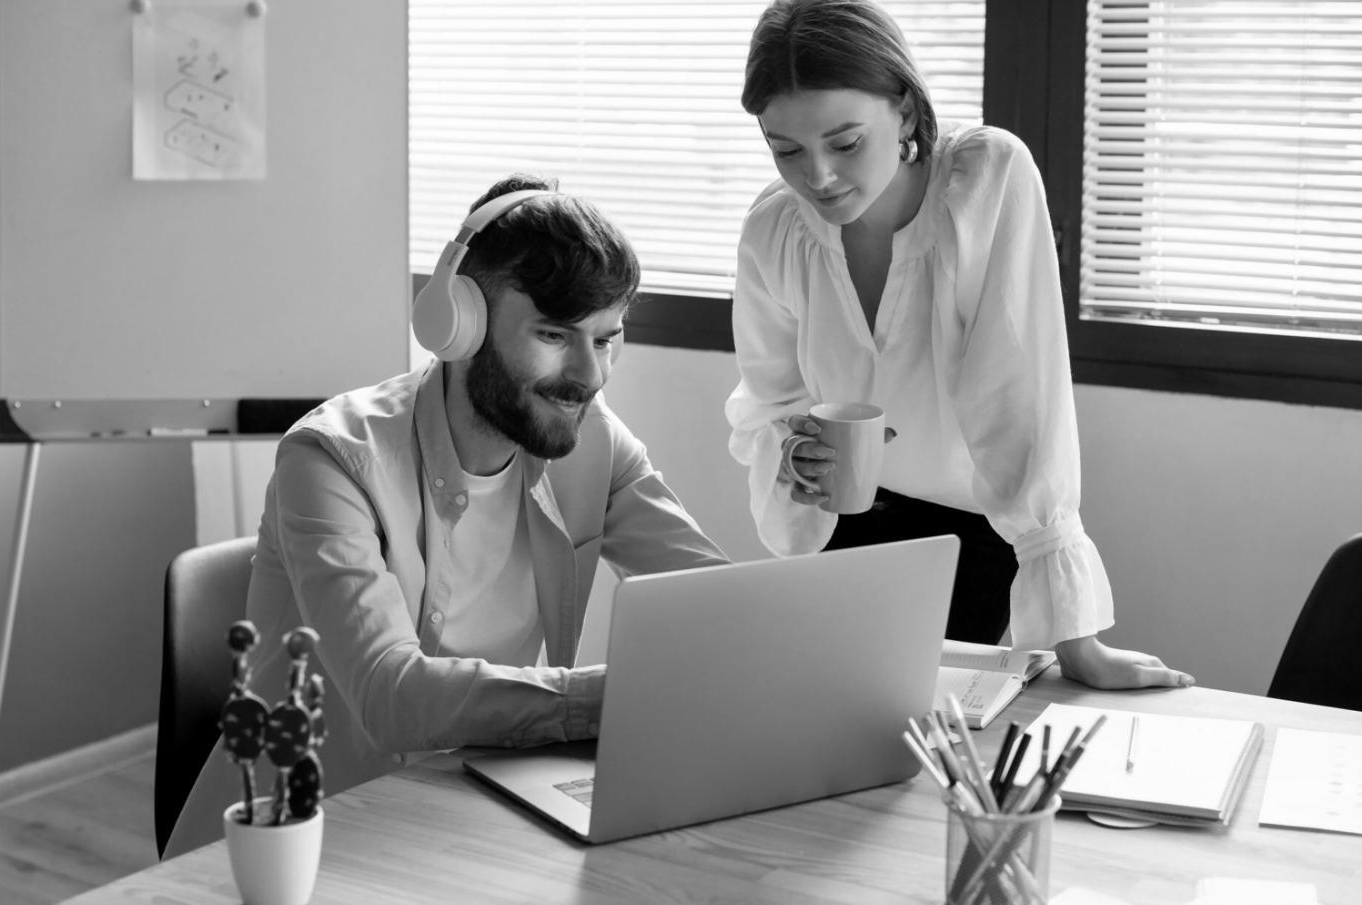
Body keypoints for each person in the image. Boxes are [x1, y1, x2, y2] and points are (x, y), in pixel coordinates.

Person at [167, 174, 729, 856]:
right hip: (293, 843)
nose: (591, 374)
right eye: (555, 333)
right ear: (459, 326)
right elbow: (390, 693)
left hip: (464, 815)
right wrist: (608, 699)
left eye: (606, 338)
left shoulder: (596, 441)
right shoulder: (329, 459)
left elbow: (718, 603)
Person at [725, 0, 1191, 690]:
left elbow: (1020, 400)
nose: (816, 176)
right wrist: (791, 454)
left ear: (906, 112)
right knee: (807, 713)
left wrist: (1075, 639)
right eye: (785, 149)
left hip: (971, 529)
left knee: (911, 721)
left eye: (845, 142)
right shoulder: (774, 230)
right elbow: (769, 401)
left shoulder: (986, 182)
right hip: (842, 521)